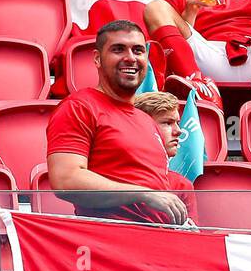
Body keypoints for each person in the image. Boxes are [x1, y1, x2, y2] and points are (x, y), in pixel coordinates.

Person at [47, 20, 191, 226]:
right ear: (97, 59)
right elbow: (65, 181)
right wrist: (143, 194)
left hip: (158, 242)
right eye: (118, 49)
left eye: (138, 50)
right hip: (111, 242)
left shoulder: (145, 120)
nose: (130, 58)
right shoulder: (79, 107)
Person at [131, 90, 198, 224]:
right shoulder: (113, 176)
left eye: (177, 123)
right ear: (142, 128)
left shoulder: (182, 185)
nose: (178, 131)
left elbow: (192, 238)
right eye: (167, 123)